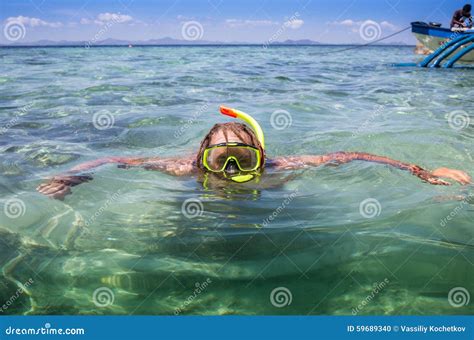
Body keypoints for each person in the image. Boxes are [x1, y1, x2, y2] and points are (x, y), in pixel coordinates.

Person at [37, 106, 471, 200]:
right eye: (220, 160)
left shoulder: (281, 167)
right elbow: (112, 159)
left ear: (261, 159)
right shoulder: (181, 170)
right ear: (198, 159)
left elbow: (353, 154)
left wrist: (421, 170)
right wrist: (71, 176)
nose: (227, 171)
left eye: (242, 162)